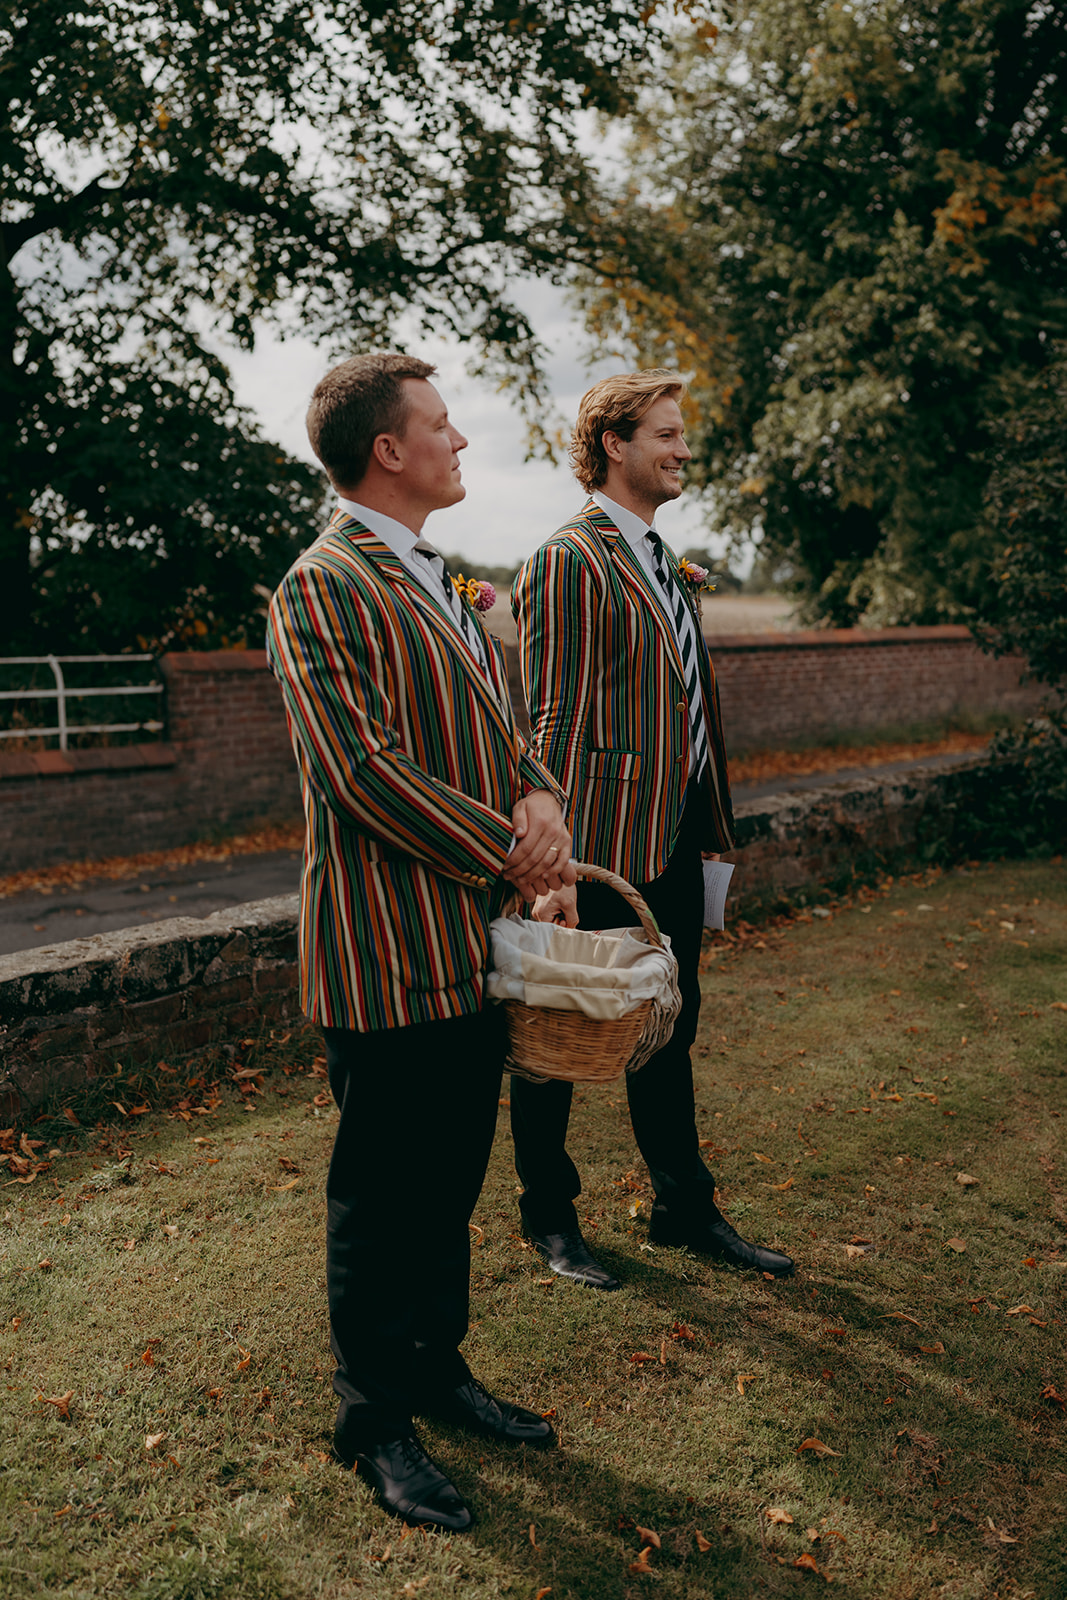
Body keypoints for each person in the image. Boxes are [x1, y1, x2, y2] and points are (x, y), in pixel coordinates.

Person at [266, 353, 576, 1533]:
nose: (458, 443)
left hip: (470, 944)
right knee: (380, 1197)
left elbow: (503, 726)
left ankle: (435, 1367)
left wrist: (540, 796)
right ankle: (372, 1418)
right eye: (440, 427)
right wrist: (511, 852)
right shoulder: (321, 585)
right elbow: (359, 772)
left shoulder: (440, 579)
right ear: (386, 451)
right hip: (381, 949)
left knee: (449, 1181)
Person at [509, 369, 795, 1290]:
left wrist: (704, 828)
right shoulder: (569, 558)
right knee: (557, 1031)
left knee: (667, 1022)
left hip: (671, 838)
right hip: (593, 845)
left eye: (681, 433)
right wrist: (549, 860)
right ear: (612, 446)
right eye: (665, 434)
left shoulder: (662, 558)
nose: (682, 449)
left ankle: (683, 1207)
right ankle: (548, 1217)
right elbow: (550, 712)